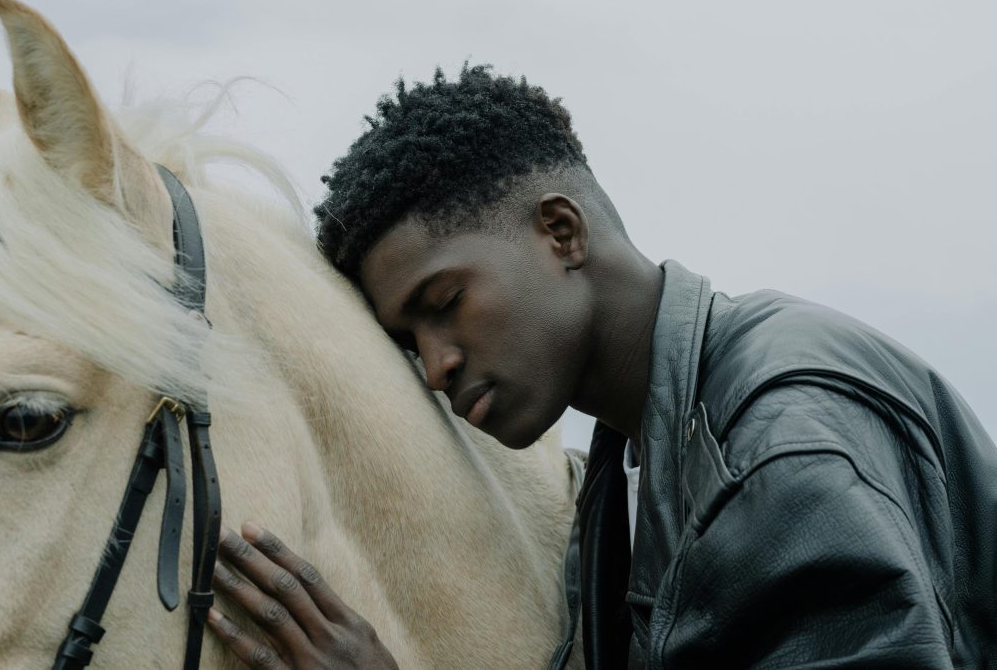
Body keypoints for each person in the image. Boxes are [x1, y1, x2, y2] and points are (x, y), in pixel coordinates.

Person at [206, 65, 997, 668]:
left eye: (444, 302)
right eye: (410, 344)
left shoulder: (772, 449)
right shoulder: (631, 471)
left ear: (560, 231)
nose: (437, 366)